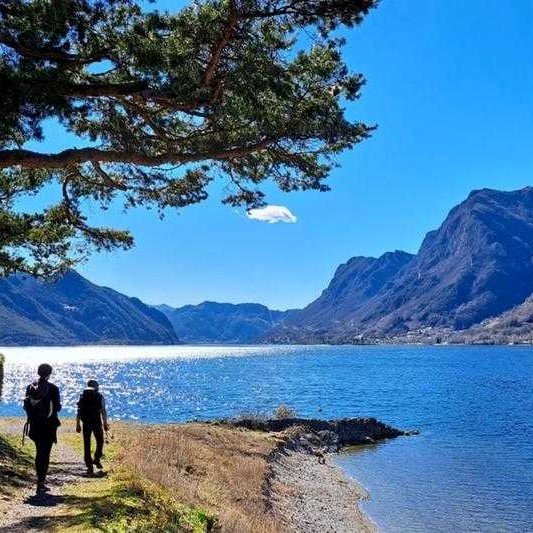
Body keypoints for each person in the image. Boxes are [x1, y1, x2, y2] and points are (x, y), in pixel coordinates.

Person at [23, 363, 62, 494]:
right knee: (44, 454)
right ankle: (41, 482)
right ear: (49, 373)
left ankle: (40, 482)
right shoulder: (53, 388)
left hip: (34, 425)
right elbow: (57, 408)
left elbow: (26, 406)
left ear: (38, 372)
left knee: (39, 452)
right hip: (49, 426)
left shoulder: (30, 387)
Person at [76, 379, 110, 475]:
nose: (98, 387)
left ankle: (88, 463)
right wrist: (105, 423)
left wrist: (78, 424)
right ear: (94, 386)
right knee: (100, 441)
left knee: (87, 443)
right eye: (97, 385)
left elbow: (79, 411)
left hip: (86, 422)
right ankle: (97, 458)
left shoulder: (83, 396)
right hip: (96, 422)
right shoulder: (99, 396)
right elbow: (103, 410)